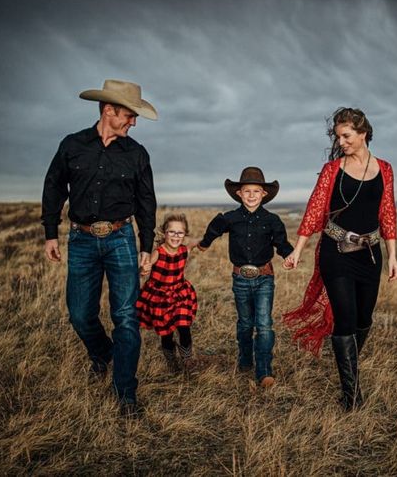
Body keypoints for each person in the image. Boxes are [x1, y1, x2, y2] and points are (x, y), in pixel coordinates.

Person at [41, 79, 158, 417]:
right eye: (129, 115)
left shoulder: (136, 153)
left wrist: (146, 245)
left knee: (125, 317)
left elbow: (147, 202)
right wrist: (51, 232)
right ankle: (103, 353)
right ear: (109, 111)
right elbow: (53, 188)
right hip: (80, 240)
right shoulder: (72, 145)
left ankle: (126, 394)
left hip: (121, 238)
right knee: (80, 314)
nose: (133, 122)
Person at [283, 107, 397, 411]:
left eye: (347, 136)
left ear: (363, 134)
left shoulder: (385, 169)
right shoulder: (332, 170)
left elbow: (387, 213)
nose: (342, 142)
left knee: (364, 319)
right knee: (345, 319)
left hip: (370, 255)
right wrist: (298, 249)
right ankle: (351, 396)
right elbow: (314, 208)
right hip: (336, 253)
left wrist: (394, 256)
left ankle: (350, 368)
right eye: (338, 137)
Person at [192, 167, 293, 388]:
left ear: (263, 194)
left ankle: (264, 370)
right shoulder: (231, 218)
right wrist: (204, 243)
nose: (251, 195)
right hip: (240, 279)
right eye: (247, 191)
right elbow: (215, 227)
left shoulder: (272, 220)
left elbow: (281, 243)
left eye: (256, 191)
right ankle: (245, 359)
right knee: (245, 323)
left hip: (264, 277)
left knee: (264, 324)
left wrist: (289, 256)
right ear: (239, 193)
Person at [136, 213, 198, 373]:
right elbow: (146, 266)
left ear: (185, 235)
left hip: (179, 293)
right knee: (167, 332)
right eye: (172, 232)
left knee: (184, 326)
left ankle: (187, 359)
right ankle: (171, 361)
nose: (176, 236)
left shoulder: (185, 250)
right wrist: (144, 269)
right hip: (160, 297)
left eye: (180, 233)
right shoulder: (159, 252)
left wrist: (207, 240)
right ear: (164, 233)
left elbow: (195, 243)